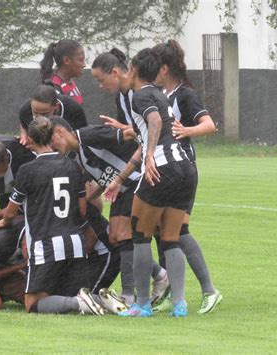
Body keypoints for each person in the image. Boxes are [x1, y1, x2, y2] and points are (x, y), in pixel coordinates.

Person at [0, 117, 108, 315]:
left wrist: (2, 221)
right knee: (65, 294)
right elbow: (82, 210)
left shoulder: (28, 170)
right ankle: (100, 300)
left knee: (32, 303)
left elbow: (11, 212)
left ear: (29, 140)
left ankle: (81, 303)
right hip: (75, 243)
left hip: (46, 245)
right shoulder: (71, 165)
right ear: (51, 136)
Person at [108, 48, 197, 317]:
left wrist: (149, 156)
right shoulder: (160, 94)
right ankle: (179, 304)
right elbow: (148, 133)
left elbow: (155, 121)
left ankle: (142, 305)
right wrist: (121, 178)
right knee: (170, 238)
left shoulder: (141, 95)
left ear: (133, 69)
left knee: (140, 236)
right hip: (186, 168)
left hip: (162, 169)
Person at [50, 116, 169, 306]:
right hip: (119, 191)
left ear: (60, 132)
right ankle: (160, 274)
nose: (52, 147)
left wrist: (131, 132)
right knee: (114, 237)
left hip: (135, 181)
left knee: (123, 235)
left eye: (51, 142)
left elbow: (136, 133)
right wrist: (88, 199)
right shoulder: (74, 156)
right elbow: (102, 177)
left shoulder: (90, 135)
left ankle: (129, 294)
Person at [90, 49, 170, 306]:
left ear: (116, 72)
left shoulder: (138, 94)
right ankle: (159, 279)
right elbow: (138, 133)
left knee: (140, 232)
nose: (101, 87)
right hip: (132, 169)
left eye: (102, 80)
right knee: (124, 233)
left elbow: (151, 131)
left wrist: (130, 135)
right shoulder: (123, 96)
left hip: (150, 168)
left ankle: (147, 291)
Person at [152, 39, 222, 314]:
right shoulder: (159, 94)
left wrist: (186, 131)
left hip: (182, 172)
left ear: (165, 68)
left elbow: (209, 125)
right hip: (165, 170)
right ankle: (171, 292)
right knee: (161, 232)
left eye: (155, 66)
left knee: (178, 231)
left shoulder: (185, 95)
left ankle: (209, 290)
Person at [18, 84, 87, 147]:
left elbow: (81, 139)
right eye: (35, 113)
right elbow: (24, 125)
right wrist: (24, 136)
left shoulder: (73, 110)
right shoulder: (25, 111)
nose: (40, 118)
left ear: (56, 107)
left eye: (44, 114)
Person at [40, 39, 85, 105]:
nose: (84, 65)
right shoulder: (54, 88)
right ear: (66, 60)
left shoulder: (69, 82)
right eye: (81, 60)